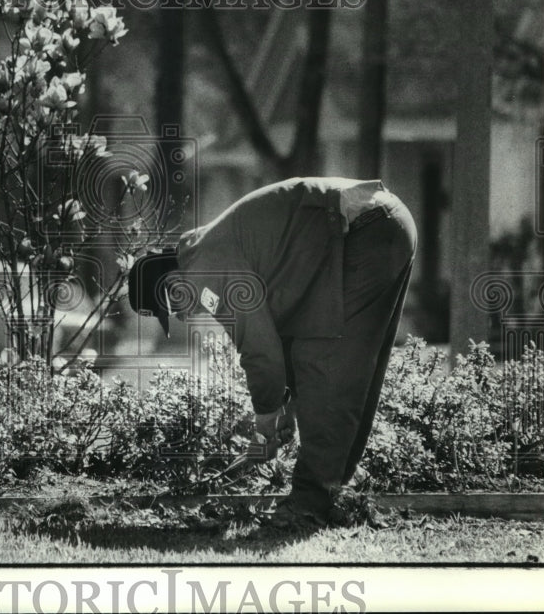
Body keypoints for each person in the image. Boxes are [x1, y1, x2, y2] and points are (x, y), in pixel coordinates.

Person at [128, 176, 416, 528]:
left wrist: (265, 419)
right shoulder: (212, 249)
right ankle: (334, 495)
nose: (185, 316)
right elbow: (283, 342)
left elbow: (260, 349)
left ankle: (310, 505)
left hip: (364, 229)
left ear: (172, 282)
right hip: (380, 223)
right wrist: (285, 409)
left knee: (324, 361)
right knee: (347, 364)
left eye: (173, 306)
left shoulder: (205, 266)